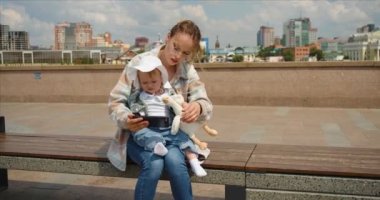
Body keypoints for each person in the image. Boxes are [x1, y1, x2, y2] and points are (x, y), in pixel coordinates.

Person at [107, 19, 213, 200]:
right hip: (139, 136)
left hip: (172, 138)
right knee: (154, 163)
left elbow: (205, 102)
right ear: (168, 37)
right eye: (175, 47)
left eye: (186, 53)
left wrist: (197, 106)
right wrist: (127, 120)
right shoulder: (139, 62)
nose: (178, 56)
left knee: (175, 162)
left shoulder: (187, 70)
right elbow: (115, 103)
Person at [127, 55, 207, 177]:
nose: (149, 85)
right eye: (145, 82)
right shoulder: (137, 96)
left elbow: (178, 103)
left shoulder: (168, 93)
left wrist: (186, 107)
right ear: (139, 82)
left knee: (183, 139)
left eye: (154, 82)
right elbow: (131, 110)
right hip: (147, 127)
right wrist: (131, 117)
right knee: (141, 135)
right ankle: (158, 145)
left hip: (168, 128)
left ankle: (194, 161)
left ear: (161, 79)